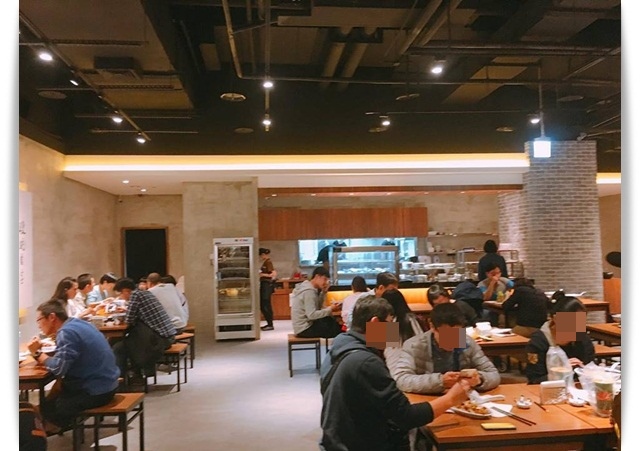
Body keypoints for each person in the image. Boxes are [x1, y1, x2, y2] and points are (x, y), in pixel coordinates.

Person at [319, 295, 471, 451]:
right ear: (375, 323)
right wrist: (451, 399)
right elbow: (406, 416)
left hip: (337, 441)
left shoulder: (340, 347)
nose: (393, 333)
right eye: (391, 324)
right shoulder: (366, 362)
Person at [27, 299, 120, 432]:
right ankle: (42, 423)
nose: (38, 325)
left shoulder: (66, 332)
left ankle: (45, 430)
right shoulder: (79, 324)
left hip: (97, 391)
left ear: (52, 317)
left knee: (57, 406)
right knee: (53, 396)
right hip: (109, 383)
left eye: (39, 320)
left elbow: (58, 368)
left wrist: (37, 353)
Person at [391, 302, 500, 395]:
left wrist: (479, 379)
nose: (452, 340)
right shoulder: (414, 345)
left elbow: (494, 374)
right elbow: (401, 379)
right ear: (432, 327)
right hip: (429, 401)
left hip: (462, 400)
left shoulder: (467, 341)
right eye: (446, 334)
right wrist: (440, 381)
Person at [111, 277, 177, 383]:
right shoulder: (145, 293)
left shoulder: (135, 295)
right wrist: (126, 310)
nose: (121, 297)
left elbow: (129, 320)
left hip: (161, 339)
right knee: (128, 342)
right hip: (168, 335)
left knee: (118, 348)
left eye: (120, 294)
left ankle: (121, 380)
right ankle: (135, 375)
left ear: (126, 291)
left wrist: (123, 314)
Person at [525, 292, 595, 384]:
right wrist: (561, 370)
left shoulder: (583, 340)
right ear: (556, 319)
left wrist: (586, 370)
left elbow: (590, 370)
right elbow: (534, 380)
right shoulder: (539, 341)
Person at [291, 267, 342, 338]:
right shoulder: (309, 292)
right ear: (317, 277)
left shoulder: (308, 287)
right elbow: (312, 315)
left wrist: (323, 292)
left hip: (302, 326)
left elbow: (317, 307)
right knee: (336, 329)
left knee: (331, 322)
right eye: (325, 279)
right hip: (305, 328)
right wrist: (330, 309)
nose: (325, 283)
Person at [258, 248, 277, 331]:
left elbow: (273, 274)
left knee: (265, 304)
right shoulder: (265, 262)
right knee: (263, 304)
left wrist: (262, 274)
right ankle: (269, 323)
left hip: (267, 285)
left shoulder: (268, 262)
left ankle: (270, 324)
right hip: (264, 285)